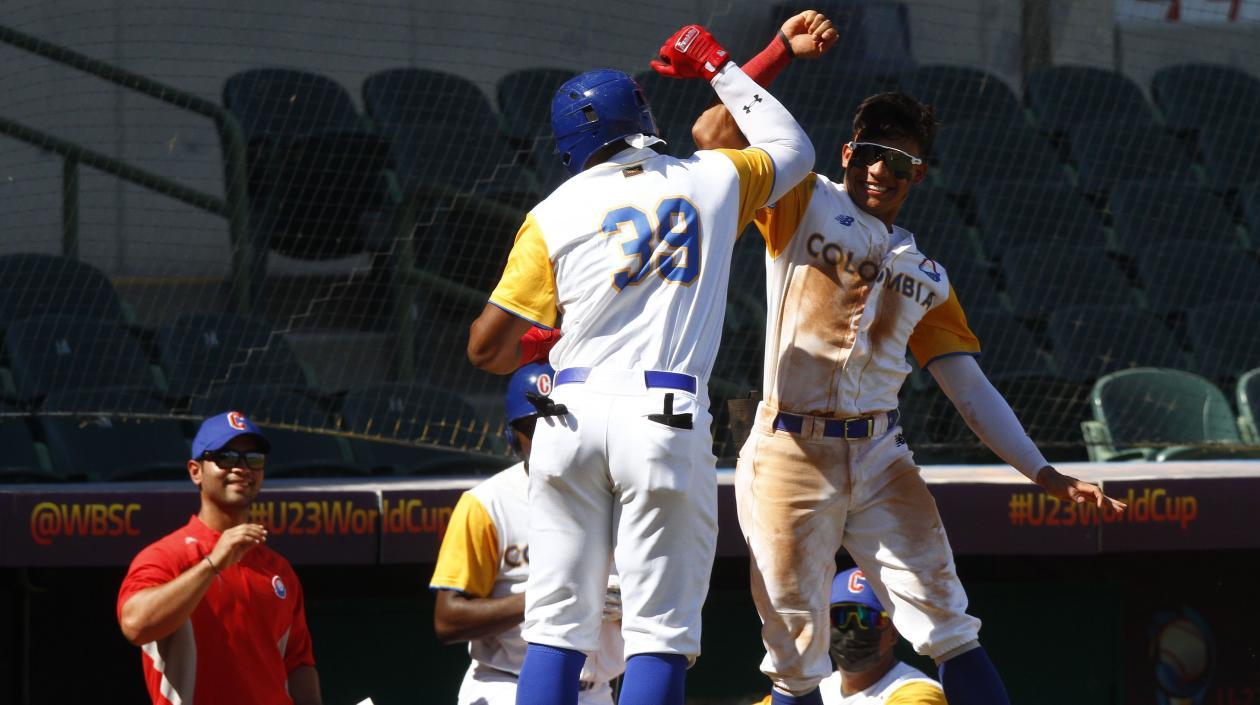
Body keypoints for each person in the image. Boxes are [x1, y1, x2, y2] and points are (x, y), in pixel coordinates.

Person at [689, 15, 1128, 705]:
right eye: (869, 153)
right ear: (845, 152)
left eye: (900, 163)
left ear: (917, 175)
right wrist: (777, 53)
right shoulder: (801, 198)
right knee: (797, 657)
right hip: (787, 448)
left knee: (951, 626)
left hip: (879, 453)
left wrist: (1043, 471)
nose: (880, 171)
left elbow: (970, 389)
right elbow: (712, 138)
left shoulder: (927, 272)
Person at [465, 21, 817, 705]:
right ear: (644, 119)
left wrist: (540, 342)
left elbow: (486, 348)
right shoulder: (712, 178)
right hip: (663, 415)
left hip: (566, 415)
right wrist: (719, 64)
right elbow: (793, 149)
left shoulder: (552, 210)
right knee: (658, 631)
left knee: (556, 628)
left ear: (571, 144)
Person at [430, 361, 625, 704]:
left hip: (598, 691)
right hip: (507, 686)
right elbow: (449, 619)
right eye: (533, 427)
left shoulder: (623, 496)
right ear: (511, 436)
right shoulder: (487, 504)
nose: (548, 435)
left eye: (558, 422)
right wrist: (546, 598)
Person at [117, 411, 321, 705]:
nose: (241, 469)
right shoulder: (166, 556)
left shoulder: (278, 569)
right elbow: (135, 625)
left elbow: (298, 663)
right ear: (195, 471)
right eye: (226, 458)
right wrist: (212, 565)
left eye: (253, 459)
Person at [753, 568, 945, 705]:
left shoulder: (919, 691)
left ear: (894, 631)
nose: (852, 630)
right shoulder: (815, 687)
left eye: (866, 618)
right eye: (840, 617)